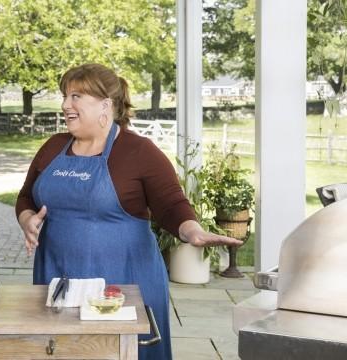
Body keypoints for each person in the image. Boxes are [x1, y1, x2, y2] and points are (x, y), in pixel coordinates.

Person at [16, 63, 242, 359]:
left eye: (75, 97)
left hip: (123, 283)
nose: (64, 105)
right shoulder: (53, 146)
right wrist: (27, 220)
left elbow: (172, 204)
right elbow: (25, 197)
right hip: (58, 278)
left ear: (105, 106)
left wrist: (192, 231)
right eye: (65, 96)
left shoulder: (139, 151)